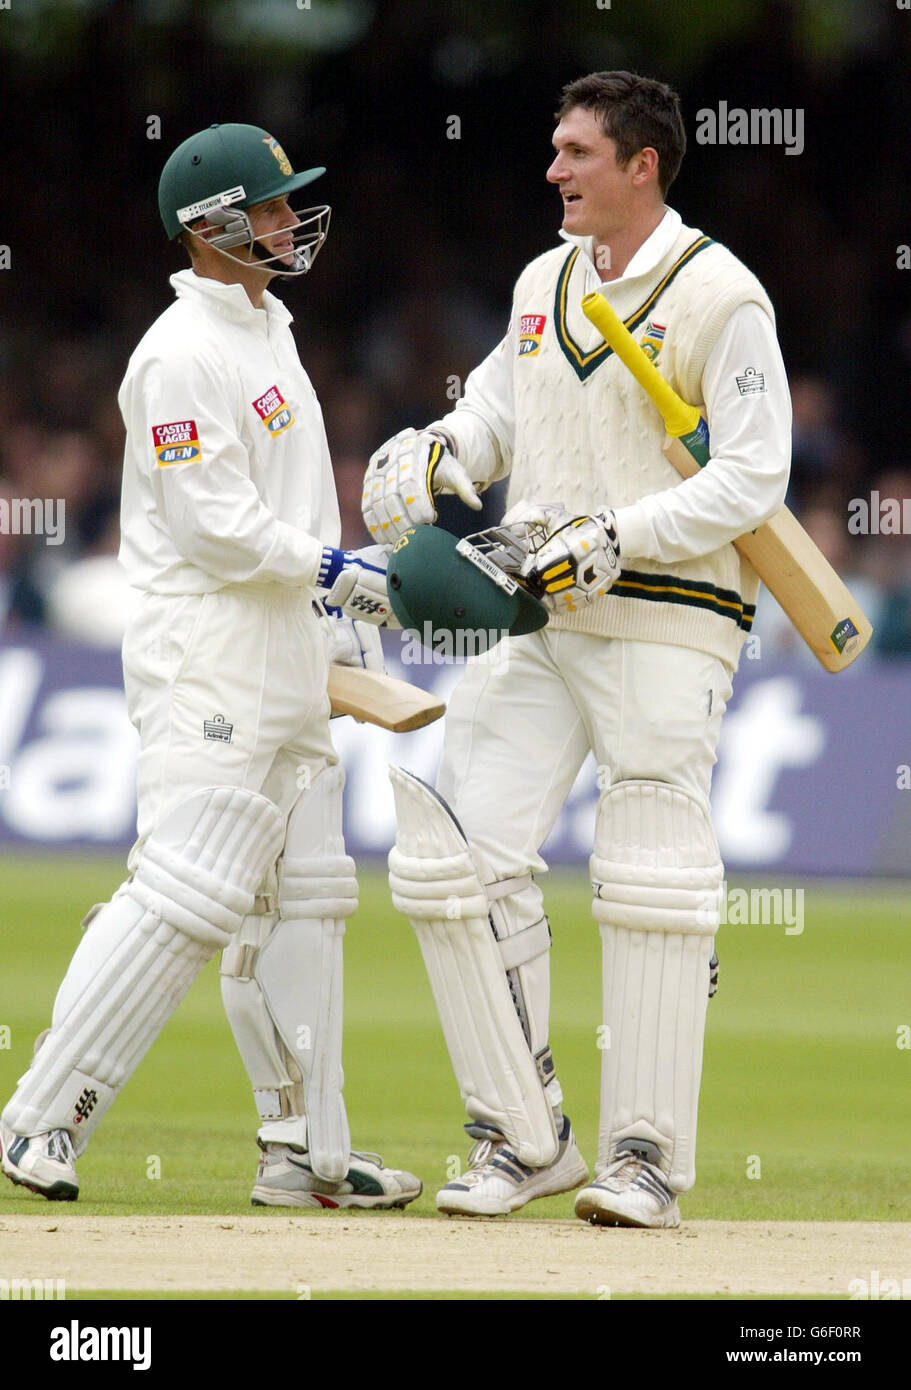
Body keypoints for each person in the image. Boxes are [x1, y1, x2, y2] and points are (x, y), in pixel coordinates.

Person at [363, 71, 790, 1226]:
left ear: (640, 164)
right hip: (534, 610)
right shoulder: (541, 281)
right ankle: (521, 1134)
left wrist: (622, 532)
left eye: (576, 152)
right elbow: (500, 414)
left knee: (649, 875)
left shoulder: (719, 296)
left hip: (666, 616)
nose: (552, 170)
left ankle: (643, 1157)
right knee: (454, 861)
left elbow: (754, 475)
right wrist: (440, 451)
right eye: (554, 149)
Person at [0, 122, 420, 1212]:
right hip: (210, 655)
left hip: (285, 648)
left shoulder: (265, 324)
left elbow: (286, 505)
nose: (289, 222)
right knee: (185, 894)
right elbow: (218, 526)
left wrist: (337, 619)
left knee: (310, 896)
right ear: (208, 226)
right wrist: (340, 570)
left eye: (289, 205)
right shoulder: (177, 352)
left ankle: (307, 1153)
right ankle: (39, 1116)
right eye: (272, 206)